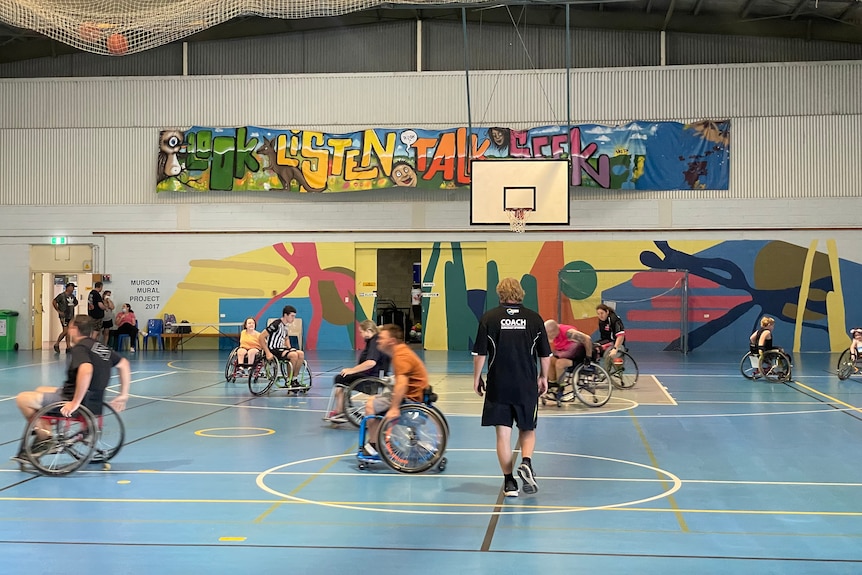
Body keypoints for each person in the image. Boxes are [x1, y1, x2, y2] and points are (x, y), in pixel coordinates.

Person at [13, 315, 131, 463]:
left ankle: (45, 437)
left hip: (75, 400)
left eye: (70, 327)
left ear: (75, 329)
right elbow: (124, 364)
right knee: (41, 389)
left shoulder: (80, 348)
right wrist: (123, 395)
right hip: (94, 402)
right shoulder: (100, 347)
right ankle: (43, 427)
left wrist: (75, 402)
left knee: (22, 399)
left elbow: (86, 370)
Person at [472, 278, 551, 498]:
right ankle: (526, 462)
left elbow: (480, 354)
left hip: (499, 384)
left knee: (503, 434)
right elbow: (545, 354)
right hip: (526, 383)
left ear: (499, 294)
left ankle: (509, 483)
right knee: (527, 428)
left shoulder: (489, 318)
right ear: (520, 293)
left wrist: (477, 379)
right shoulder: (534, 319)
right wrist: (544, 377)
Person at [362, 324, 427, 456]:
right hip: (415, 394)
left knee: (370, 405)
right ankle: (381, 439)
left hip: (410, 399)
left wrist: (394, 408)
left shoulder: (400, 356)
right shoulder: (402, 351)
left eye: (381, 338)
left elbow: (402, 384)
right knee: (377, 400)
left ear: (391, 341)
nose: (378, 340)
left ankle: (375, 445)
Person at [327, 320, 390, 423]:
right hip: (376, 376)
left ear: (368, 330)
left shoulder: (375, 341)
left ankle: (340, 410)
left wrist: (352, 370)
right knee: (343, 378)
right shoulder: (375, 340)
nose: (360, 335)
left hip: (373, 381)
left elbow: (371, 362)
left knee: (340, 378)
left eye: (361, 332)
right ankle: (342, 408)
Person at [259, 305, 306, 384]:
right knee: (293, 355)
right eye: (292, 316)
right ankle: (288, 380)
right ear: (285, 315)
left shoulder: (286, 326)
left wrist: (290, 348)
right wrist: (267, 353)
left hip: (282, 349)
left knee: (301, 354)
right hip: (273, 349)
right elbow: (261, 337)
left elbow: (286, 338)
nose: (293, 319)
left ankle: (294, 378)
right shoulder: (276, 324)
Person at [543, 319, 593, 385]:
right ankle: (553, 383)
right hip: (567, 355)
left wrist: (588, 357)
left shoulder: (568, 333)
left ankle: (560, 385)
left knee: (559, 363)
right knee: (549, 359)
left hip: (578, 357)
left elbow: (587, 338)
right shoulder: (555, 334)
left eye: (548, 334)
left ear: (553, 331)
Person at [52, 282, 78, 353]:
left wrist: (71, 308)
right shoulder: (61, 295)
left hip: (71, 315)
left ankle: (68, 346)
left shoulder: (72, 296)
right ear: (68, 288)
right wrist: (58, 310)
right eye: (72, 288)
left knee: (69, 332)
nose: (72, 289)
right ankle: (57, 343)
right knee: (65, 331)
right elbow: (54, 301)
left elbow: (75, 302)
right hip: (64, 316)